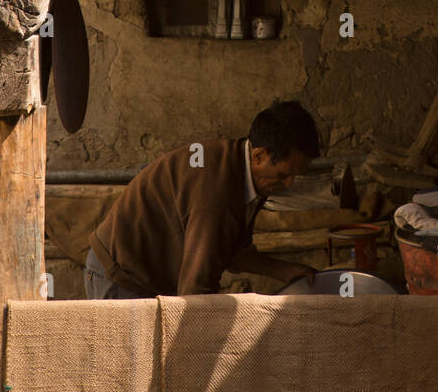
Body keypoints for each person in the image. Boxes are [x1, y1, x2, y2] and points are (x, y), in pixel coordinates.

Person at [84, 100, 320, 298]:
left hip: (146, 275)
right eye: (284, 174)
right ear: (259, 156)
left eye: (295, 175)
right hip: (120, 274)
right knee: (136, 354)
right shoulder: (216, 189)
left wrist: (288, 271)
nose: (289, 183)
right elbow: (195, 287)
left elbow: (234, 254)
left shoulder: (253, 176)